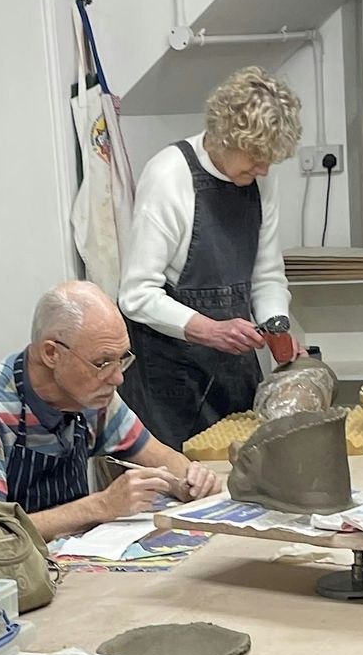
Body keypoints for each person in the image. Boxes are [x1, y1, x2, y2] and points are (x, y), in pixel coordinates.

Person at [0, 281, 220, 541]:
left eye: (122, 359)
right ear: (52, 353)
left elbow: (160, 457)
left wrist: (188, 481)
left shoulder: (93, 396)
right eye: (103, 362)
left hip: (62, 555)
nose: (118, 377)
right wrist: (102, 506)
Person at [119, 65, 304, 449]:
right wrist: (209, 329)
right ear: (223, 136)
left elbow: (267, 275)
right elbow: (136, 295)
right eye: (255, 156)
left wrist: (277, 325)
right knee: (187, 485)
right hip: (170, 375)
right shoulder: (169, 176)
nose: (263, 168)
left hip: (232, 365)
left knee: (248, 471)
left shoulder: (257, 180)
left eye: (269, 160)